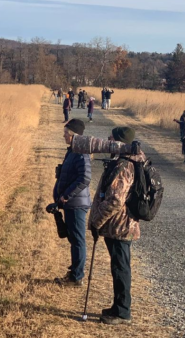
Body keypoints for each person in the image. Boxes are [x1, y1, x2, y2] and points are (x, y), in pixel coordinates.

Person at [89, 126, 143, 325]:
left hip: (120, 226)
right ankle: (118, 306)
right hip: (117, 225)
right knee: (118, 267)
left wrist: (97, 221)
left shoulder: (124, 166)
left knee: (121, 268)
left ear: (120, 143)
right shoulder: (122, 162)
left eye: (111, 139)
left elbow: (115, 201)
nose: (107, 141)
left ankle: (122, 312)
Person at [53, 119, 92, 287]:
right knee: (74, 239)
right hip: (71, 203)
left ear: (74, 136)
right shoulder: (72, 151)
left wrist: (67, 196)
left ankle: (76, 277)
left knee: (77, 240)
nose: (64, 136)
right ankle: (74, 271)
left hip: (76, 204)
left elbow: (85, 178)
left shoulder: (81, 153)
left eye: (66, 134)